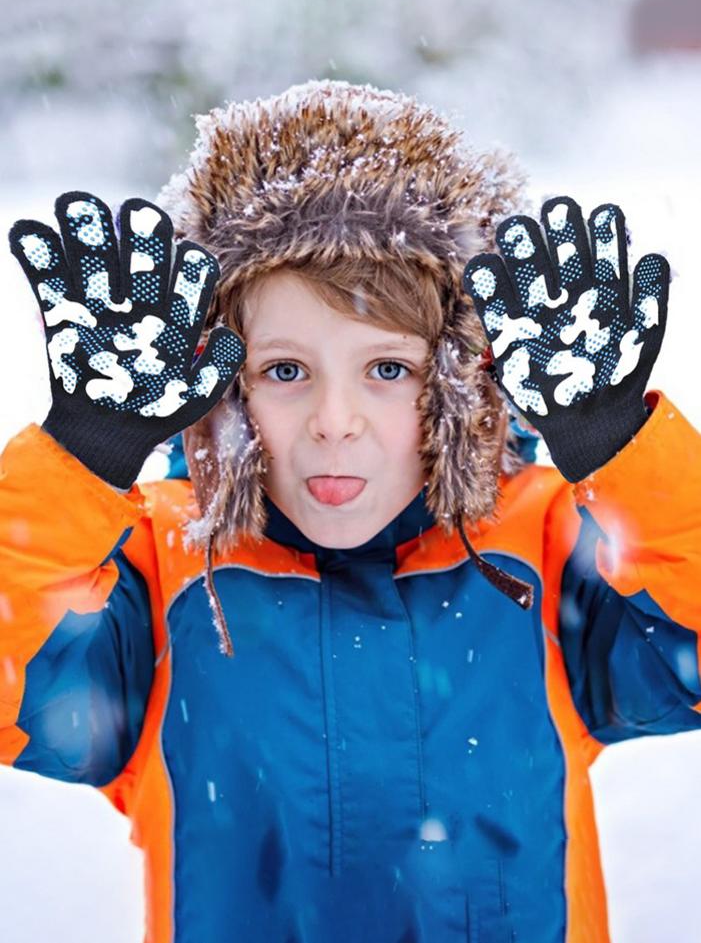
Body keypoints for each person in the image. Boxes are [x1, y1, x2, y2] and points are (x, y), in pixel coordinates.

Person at [1, 79, 699, 943]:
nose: (336, 420)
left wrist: (617, 443)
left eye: (388, 369)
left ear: (457, 383)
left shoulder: (543, 552)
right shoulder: (161, 570)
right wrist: (81, 455)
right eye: (286, 371)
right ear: (222, 387)